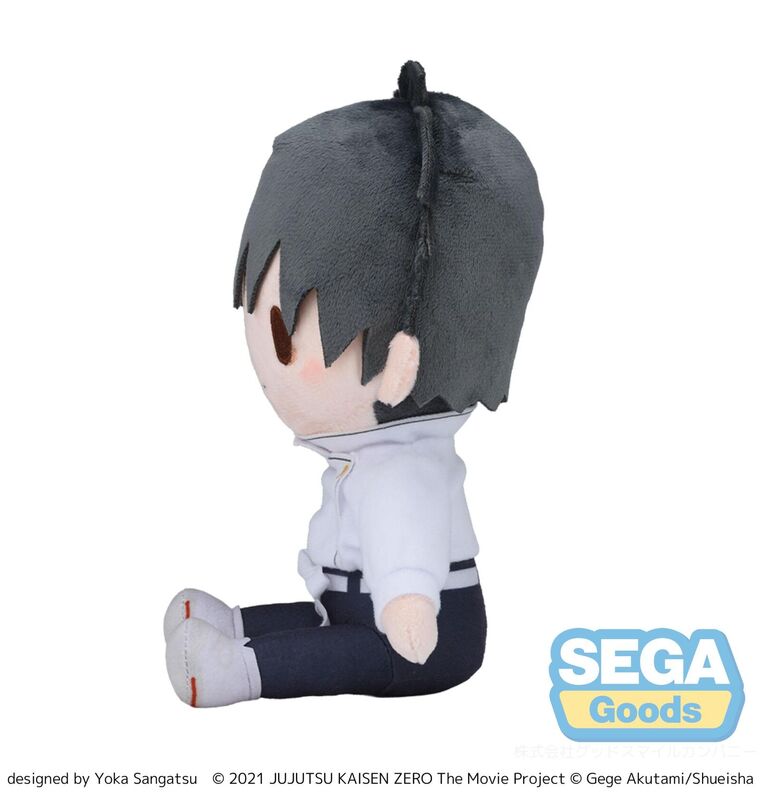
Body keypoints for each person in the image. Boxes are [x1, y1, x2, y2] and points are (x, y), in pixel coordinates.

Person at [164, 61, 543, 706]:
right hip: (352, 604)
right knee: (328, 628)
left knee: (340, 655)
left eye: (286, 336)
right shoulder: (361, 457)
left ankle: (240, 670)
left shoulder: (401, 467)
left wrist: (408, 602)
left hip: (420, 636)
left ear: (400, 363)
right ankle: (233, 627)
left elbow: (407, 534)